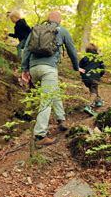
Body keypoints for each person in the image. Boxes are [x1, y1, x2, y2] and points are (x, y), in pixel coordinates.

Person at [21, 10, 83, 146]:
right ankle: (40, 136)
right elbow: (72, 50)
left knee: (53, 92)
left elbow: (26, 49)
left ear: (48, 19)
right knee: (46, 101)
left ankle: (61, 120)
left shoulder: (36, 29)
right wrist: (76, 67)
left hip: (34, 68)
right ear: (59, 20)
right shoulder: (62, 31)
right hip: (49, 69)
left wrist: (24, 69)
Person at [79, 43, 105, 116]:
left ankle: (98, 101)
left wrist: (83, 76)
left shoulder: (84, 58)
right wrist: (99, 75)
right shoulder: (98, 58)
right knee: (94, 90)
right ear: (95, 50)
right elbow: (102, 70)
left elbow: (80, 68)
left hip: (85, 78)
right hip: (94, 77)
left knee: (93, 89)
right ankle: (88, 106)